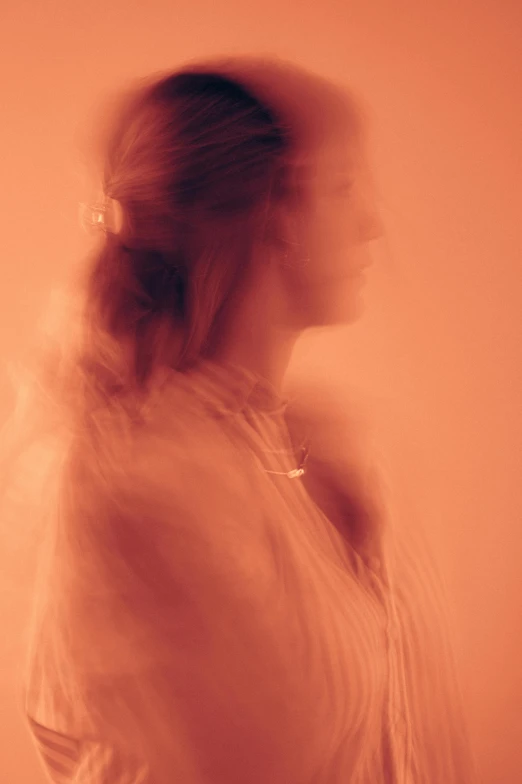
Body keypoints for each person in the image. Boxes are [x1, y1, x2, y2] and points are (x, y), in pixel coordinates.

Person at [10, 55, 475, 783]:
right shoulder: (151, 480)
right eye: (345, 185)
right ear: (276, 211)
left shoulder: (306, 445)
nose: (373, 223)